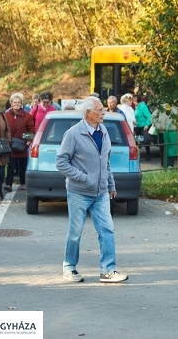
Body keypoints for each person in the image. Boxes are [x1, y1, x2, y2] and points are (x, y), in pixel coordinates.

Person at [55, 96, 127, 283]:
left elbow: (106, 162)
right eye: (100, 110)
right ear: (88, 113)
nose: (104, 112)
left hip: (101, 193)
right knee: (75, 232)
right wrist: (83, 178)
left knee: (107, 231)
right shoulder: (73, 134)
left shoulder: (103, 131)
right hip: (79, 192)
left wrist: (110, 184)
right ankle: (69, 268)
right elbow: (61, 162)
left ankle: (107, 271)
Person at [4, 93, 35, 191]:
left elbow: (31, 129)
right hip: (10, 144)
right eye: (15, 102)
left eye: (18, 102)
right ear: (11, 103)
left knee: (22, 166)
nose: (17, 104)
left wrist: (28, 140)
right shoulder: (6, 115)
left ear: (22, 104)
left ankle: (23, 183)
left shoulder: (27, 116)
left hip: (22, 145)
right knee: (10, 166)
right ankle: (8, 184)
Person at [134, 94, 152, 160]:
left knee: (146, 141)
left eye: (134, 100)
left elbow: (149, 116)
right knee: (137, 141)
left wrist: (147, 124)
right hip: (138, 126)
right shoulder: (137, 107)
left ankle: (148, 155)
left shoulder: (142, 106)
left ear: (136, 100)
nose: (133, 102)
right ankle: (138, 155)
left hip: (143, 127)